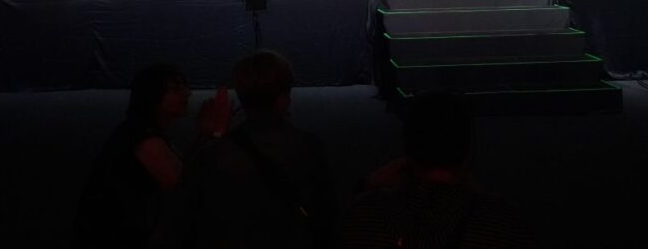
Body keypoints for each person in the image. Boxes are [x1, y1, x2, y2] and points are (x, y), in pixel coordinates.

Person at [343, 92, 531, 248]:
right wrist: (478, 197)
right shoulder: (502, 222)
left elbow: (340, 227)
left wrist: (368, 184)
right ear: (468, 151)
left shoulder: (367, 215)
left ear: (407, 152)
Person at [190, 51, 335, 248]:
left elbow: (195, 209)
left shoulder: (218, 152)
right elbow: (326, 214)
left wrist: (210, 137)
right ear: (283, 98)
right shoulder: (309, 147)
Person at [76, 64, 224, 249]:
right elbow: (184, 187)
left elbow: (182, 173)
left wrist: (204, 136)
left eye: (184, 87)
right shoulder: (144, 138)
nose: (188, 93)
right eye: (176, 88)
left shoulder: (140, 132)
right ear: (153, 95)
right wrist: (212, 135)